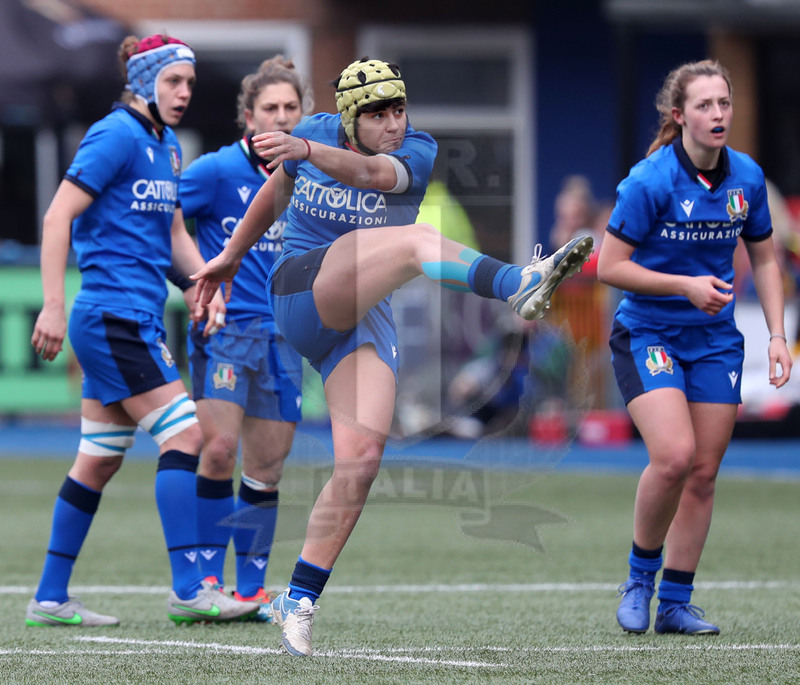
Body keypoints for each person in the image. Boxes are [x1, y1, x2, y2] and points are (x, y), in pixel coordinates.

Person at [192, 57, 594, 655]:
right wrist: (230, 255)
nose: (394, 123)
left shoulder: (416, 151)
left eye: (398, 109)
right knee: (410, 242)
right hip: (301, 288)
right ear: (351, 117)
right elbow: (277, 192)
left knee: (360, 461)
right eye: (378, 114)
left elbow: (374, 175)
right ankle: (517, 282)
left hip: (360, 314)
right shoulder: (319, 134)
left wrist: (304, 149)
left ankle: (297, 599)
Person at [26, 34, 258, 627]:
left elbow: (176, 234)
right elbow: (57, 216)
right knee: (186, 436)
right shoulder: (115, 134)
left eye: (189, 83)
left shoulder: (167, 144)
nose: (184, 93)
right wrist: (52, 305)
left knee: (99, 460)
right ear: (145, 80)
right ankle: (189, 589)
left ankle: (49, 598)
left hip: (135, 315)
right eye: (174, 82)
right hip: (112, 317)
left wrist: (197, 284)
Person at [597, 59, 792, 636]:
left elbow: (764, 256)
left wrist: (777, 336)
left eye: (724, 104)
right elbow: (610, 266)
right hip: (648, 333)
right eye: (705, 106)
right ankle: (639, 578)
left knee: (703, 472)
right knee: (675, 456)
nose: (718, 115)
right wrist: (684, 286)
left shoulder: (747, 178)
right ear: (679, 116)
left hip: (714, 342)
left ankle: (676, 604)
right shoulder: (649, 181)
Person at [179, 56, 312, 621]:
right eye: (270, 109)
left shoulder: (315, 173)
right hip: (227, 333)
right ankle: (206, 579)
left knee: (267, 468)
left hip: (286, 337)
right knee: (217, 449)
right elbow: (160, 220)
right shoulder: (212, 172)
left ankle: (253, 590)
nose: (281, 117)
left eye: (291, 107)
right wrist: (194, 284)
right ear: (248, 117)